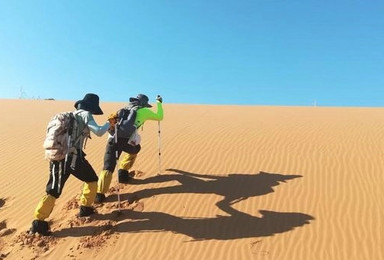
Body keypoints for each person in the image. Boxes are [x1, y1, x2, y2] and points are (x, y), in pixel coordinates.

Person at [30, 93, 114, 235]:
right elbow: (99, 132)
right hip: (73, 157)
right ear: (92, 108)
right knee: (92, 180)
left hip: (57, 156)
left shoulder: (69, 116)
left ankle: (39, 222)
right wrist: (109, 123)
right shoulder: (86, 115)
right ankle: (85, 208)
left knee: (53, 189)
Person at [95, 94, 163, 203]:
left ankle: (99, 194)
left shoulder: (122, 109)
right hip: (127, 141)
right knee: (135, 148)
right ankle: (123, 173)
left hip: (112, 140)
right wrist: (159, 103)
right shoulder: (144, 111)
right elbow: (160, 116)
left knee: (108, 167)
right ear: (143, 104)